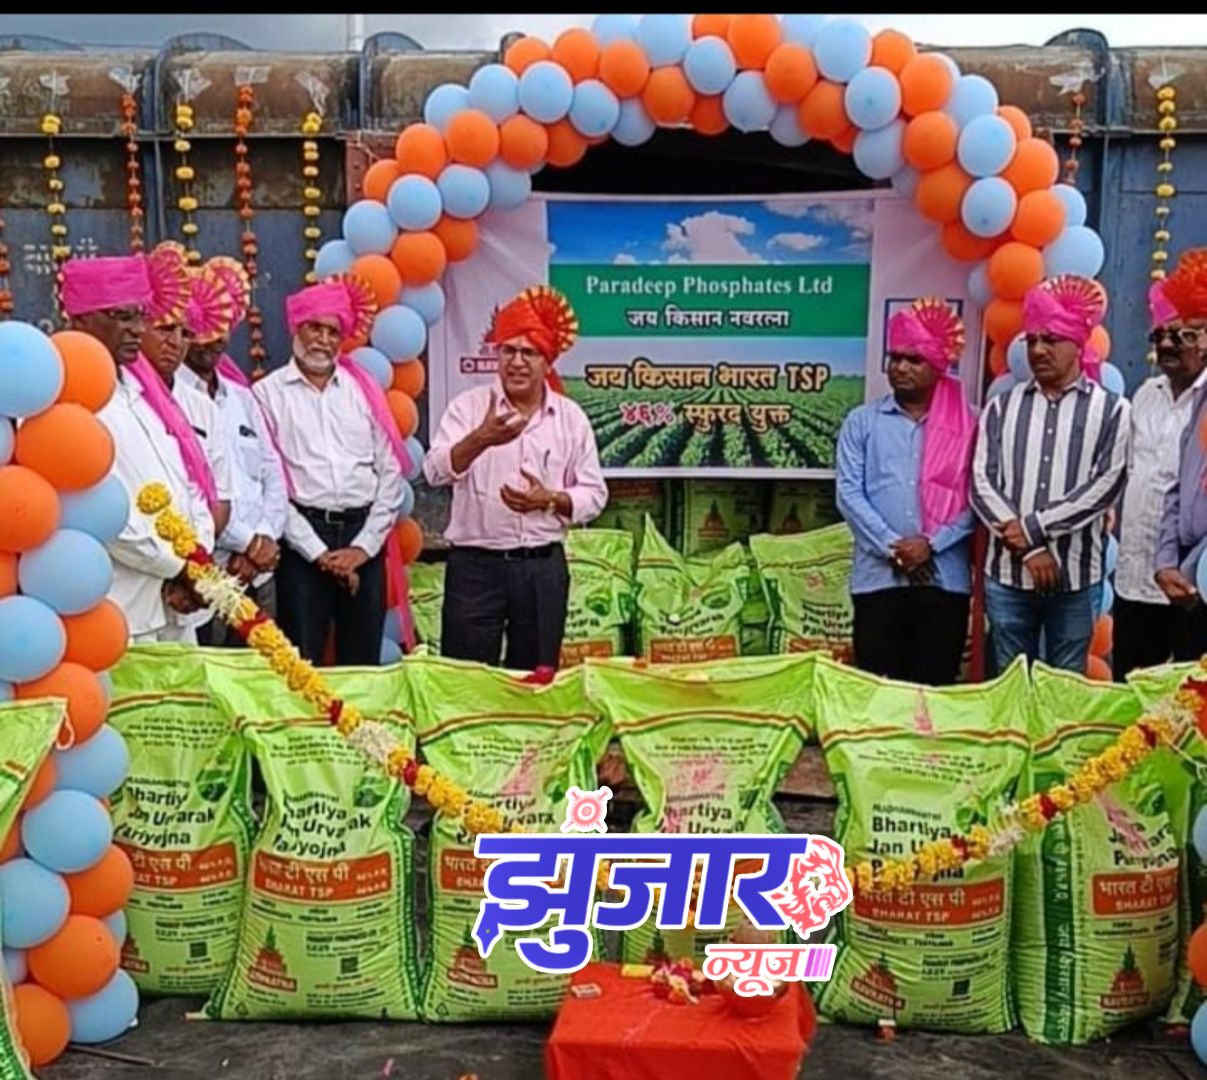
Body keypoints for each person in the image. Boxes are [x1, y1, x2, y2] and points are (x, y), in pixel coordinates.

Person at [425, 285, 607, 672]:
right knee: (466, 680)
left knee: (535, 680)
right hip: (475, 568)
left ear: (547, 362)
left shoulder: (570, 418)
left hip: (541, 568)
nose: (517, 362)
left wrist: (551, 499)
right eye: (508, 351)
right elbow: (434, 471)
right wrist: (480, 438)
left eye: (530, 353)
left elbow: (594, 494)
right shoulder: (468, 408)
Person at [971, 274, 1129, 673]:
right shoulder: (1001, 407)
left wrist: (1034, 528)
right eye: (1032, 340)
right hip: (1008, 574)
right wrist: (1030, 549)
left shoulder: (1113, 410)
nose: (1039, 350)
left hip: (1075, 577)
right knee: (1010, 680)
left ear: (1078, 343)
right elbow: (980, 482)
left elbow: (1106, 485)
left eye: (1052, 339)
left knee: (1065, 684)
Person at [61, 250, 213, 642]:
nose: (137, 329)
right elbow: (96, 510)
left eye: (141, 315)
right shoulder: (65, 400)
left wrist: (197, 558)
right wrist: (176, 567)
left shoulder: (147, 393)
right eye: (122, 316)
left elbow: (190, 482)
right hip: (120, 610)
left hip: (177, 603)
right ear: (79, 319)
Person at [253, 277, 405, 665]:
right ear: (296, 329)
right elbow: (269, 485)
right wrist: (318, 553)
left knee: (364, 663)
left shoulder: (364, 390)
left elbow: (390, 474)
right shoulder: (266, 395)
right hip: (301, 543)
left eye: (333, 331)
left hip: (363, 538)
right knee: (301, 663)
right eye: (314, 328)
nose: (323, 339)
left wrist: (362, 548)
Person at [836, 297, 976, 685]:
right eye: (895, 358)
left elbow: (977, 498)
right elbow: (849, 493)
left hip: (943, 578)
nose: (900, 367)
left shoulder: (970, 424)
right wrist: (894, 547)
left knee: (934, 694)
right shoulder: (862, 422)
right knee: (878, 691)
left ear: (938, 365)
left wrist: (932, 544)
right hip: (878, 578)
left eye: (914, 360)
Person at [179, 258, 287, 645]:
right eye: (200, 331)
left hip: (259, 570)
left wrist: (264, 541)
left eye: (221, 330)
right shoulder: (171, 399)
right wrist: (247, 544)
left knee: (260, 673)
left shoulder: (243, 398)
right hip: (205, 570)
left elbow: (273, 475)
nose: (212, 341)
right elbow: (193, 491)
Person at [1113, 274, 1207, 676]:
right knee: (1130, 690)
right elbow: (1140, 478)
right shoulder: (1145, 395)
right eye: (1160, 335)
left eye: (1183, 335)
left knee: (1187, 697)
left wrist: (1185, 567)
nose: (1167, 345)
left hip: (1191, 586)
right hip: (1136, 577)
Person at [1154, 249, 1207, 660]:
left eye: (1196, 332)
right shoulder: (1200, 402)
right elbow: (1178, 488)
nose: (1192, 342)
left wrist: (1189, 569)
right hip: (1193, 584)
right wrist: (1167, 561)